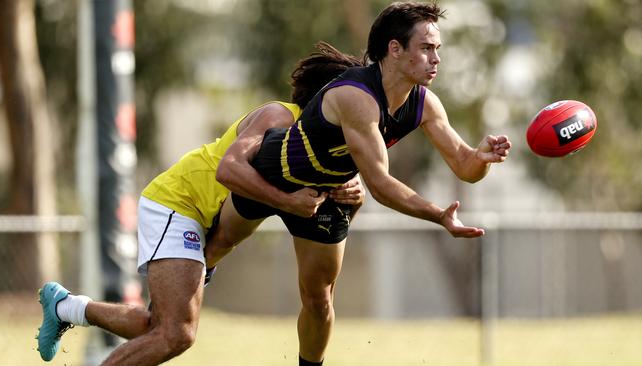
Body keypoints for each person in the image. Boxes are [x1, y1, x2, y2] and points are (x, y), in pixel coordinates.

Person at [207, 2, 512, 365]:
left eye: (438, 49)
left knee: (319, 300)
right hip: (273, 173)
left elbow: (464, 166)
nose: (436, 59)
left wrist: (481, 158)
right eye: (427, 48)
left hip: (326, 195)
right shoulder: (357, 97)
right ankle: (168, 317)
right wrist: (438, 215)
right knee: (216, 246)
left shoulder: (424, 103)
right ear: (395, 49)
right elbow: (380, 185)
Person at [36, 43, 365, 364]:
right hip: (179, 203)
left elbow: (331, 218)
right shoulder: (279, 116)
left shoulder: (329, 152)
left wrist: (352, 197)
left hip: (208, 223)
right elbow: (229, 171)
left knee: (156, 326)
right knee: (177, 334)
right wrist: (289, 202)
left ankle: (65, 307)